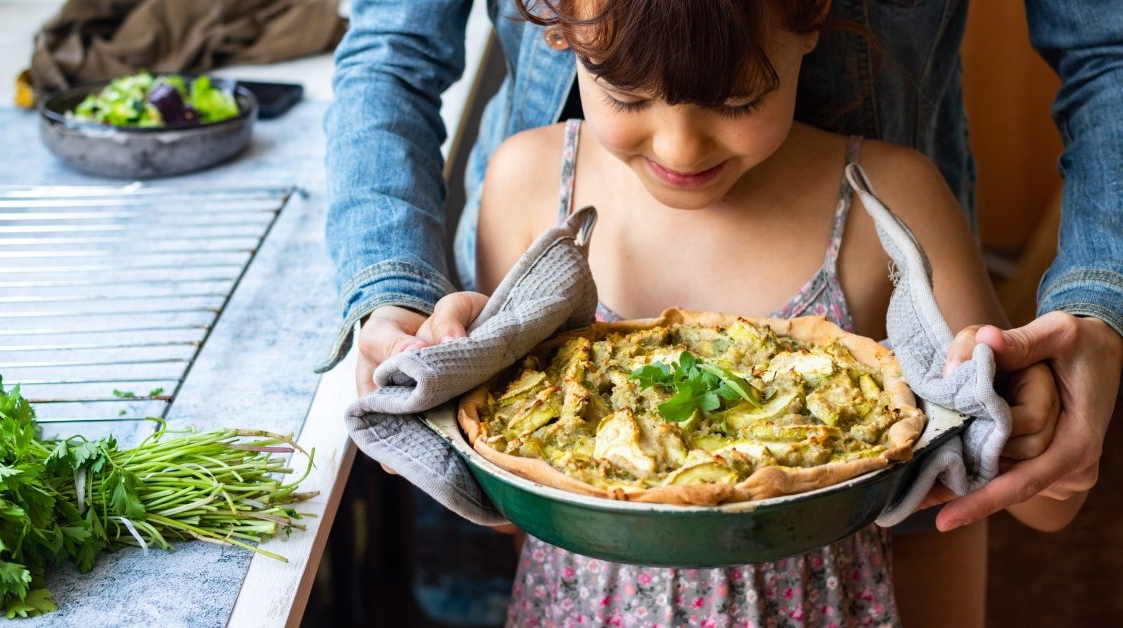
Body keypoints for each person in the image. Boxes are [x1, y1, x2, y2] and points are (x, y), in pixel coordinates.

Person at [321, 0, 1120, 622]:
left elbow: (1034, 491)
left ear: (815, 21)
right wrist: (436, 339)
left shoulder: (896, 207)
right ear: (560, 27)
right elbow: (509, 492)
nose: (680, 150)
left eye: (738, 99)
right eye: (628, 91)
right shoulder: (531, 185)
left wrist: (1044, 423)